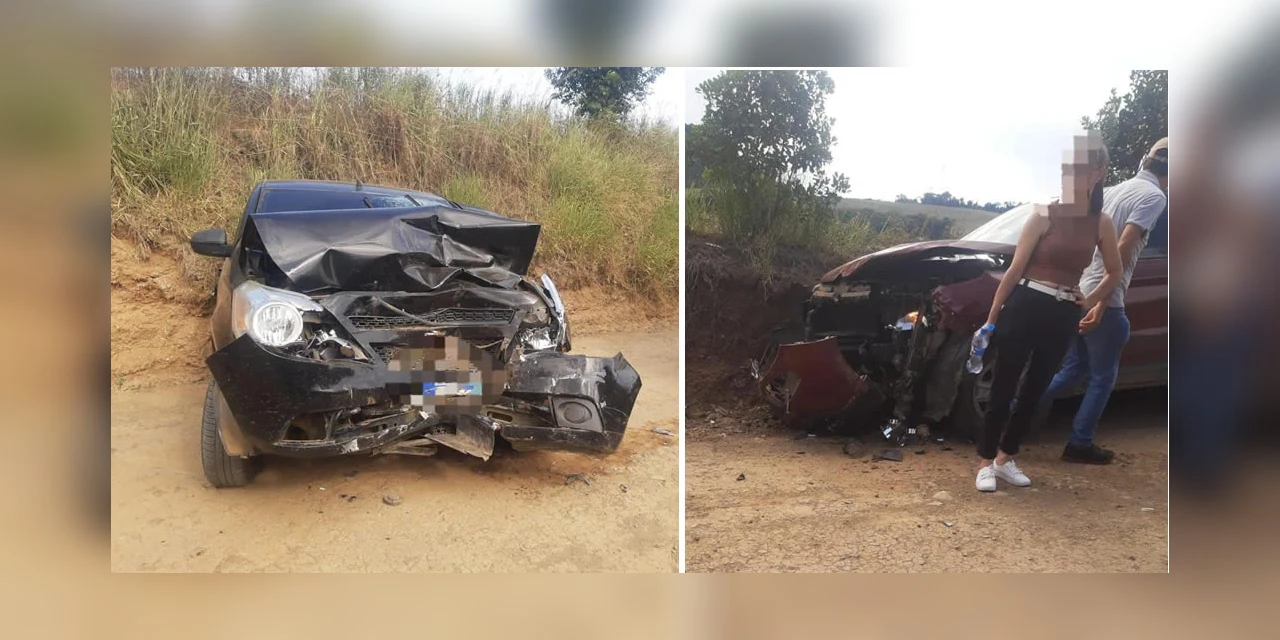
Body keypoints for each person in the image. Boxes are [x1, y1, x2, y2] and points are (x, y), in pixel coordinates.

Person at [974, 132, 1123, 492]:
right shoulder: (1044, 214)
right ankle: (984, 463)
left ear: (1098, 173)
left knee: (1035, 390)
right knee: (1004, 386)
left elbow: (1114, 272)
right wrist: (992, 319)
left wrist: (1088, 301)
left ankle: (1005, 459)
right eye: (1065, 168)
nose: (1068, 175)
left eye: (1078, 168)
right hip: (1025, 305)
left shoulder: (1101, 222)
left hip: (1062, 313)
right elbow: (1014, 269)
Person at [1038, 138, 1169, 465]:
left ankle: (1011, 414)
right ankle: (1079, 443)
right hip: (1105, 299)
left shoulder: (1111, 191)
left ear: (1145, 160)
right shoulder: (1154, 197)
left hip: (1080, 288)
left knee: (1072, 369)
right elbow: (1123, 246)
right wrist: (1102, 301)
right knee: (1102, 377)